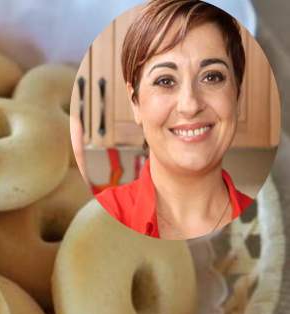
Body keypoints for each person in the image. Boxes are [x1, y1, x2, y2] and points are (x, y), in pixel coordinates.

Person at [93, 0, 254, 239]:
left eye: (212, 77)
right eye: (165, 81)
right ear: (134, 102)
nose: (190, 105)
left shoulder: (262, 226)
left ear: (237, 95)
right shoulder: (101, 219)